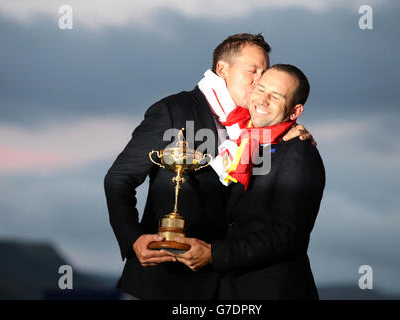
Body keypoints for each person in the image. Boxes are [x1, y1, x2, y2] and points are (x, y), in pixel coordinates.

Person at [104, 33, 314, 299]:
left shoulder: (261, 126)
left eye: (264, 72)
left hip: (228, 283)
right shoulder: (173, 110)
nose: (259, 81)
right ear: (222, 69)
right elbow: (118, 179)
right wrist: (133, 239)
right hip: (168, 279)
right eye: (253, 71)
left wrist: (292, 131)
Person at [172, 64, 325, 299]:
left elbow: (287, 235)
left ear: (294, 112)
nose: (262, 100)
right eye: (261, 89)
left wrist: (214, 254)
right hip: (228, 289)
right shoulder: (245, 140)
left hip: (274, 291)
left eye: (275, 96)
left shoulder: (298, 153)